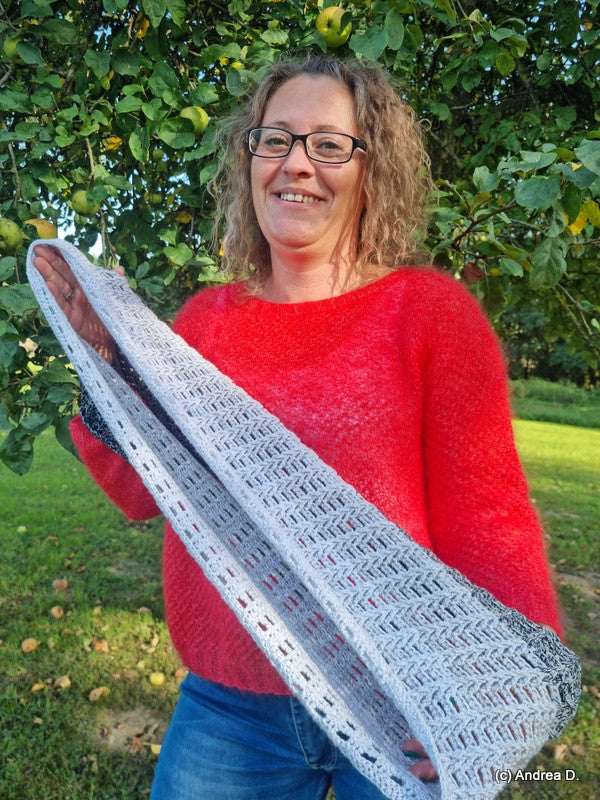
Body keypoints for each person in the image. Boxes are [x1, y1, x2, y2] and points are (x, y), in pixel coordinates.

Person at [33, 55, 563, 800]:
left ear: (371, 170)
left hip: (402, 700)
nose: (297, 164)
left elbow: (487, 514)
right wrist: (107, 364)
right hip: (231, 710)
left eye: (329, 144)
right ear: (249, 159)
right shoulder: (205, 324)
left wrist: (502, 686)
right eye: (275, 139)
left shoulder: (430, 314)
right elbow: (141, 492)